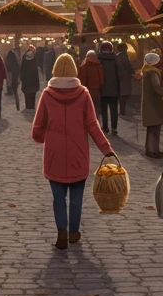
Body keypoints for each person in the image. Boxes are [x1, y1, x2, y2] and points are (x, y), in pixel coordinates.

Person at [31, 53, 114, 250]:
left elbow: (38, 126)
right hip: (79, 153)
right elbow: (93, 125)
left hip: (54, 154)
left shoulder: (47, 94)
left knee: (58, 199)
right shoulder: (83, 94)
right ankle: (74, 232)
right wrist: (106, 150)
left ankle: (61, 232)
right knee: (77, 198)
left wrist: (40, 137)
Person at [140, 52, 163, 158]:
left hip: (149, 104)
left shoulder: (146, 72)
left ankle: (149, 149)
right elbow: (157, 87)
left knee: (151, 129)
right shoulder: (153, 73)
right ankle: (153, 151)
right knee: (155, 129)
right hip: (154, 104)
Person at [96, 41, 123, 136]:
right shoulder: (115, 60)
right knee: (114, 109)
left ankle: (105, 127)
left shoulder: (98, 60)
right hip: (114, 89)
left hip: (102, 89)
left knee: (103, 110)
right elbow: (120, 75)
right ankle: (114, 128)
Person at [79, 50, 105, 114]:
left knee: (87, 112)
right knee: (97, 112)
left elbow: (81, 80)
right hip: (97, 91)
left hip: (86, 92)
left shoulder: (83, 66)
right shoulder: (98, 66)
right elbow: (102, 80)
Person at [116, 42, 136, 117]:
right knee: (123, 94)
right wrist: (133, 73)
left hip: (119, 77)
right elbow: (128, 66)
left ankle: (122, 110)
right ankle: (122, 111)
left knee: (122, 94)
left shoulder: (117, 57)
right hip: (124, 77)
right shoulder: (123, 56)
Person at [20, 45, 41, 110]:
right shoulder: (34, 57)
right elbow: (35, 69)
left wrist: (21, 77)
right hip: (33, 79)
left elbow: (22, 68)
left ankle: (27, 106)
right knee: (33, 93)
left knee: (27, 94)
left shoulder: (24, 57)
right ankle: (32, 106)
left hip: (26, 79)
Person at [6, 43, 21, 108]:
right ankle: (17, 105)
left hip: (11, 73)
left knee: (10, 82)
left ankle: (11, 91)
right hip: (15, 74)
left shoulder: (10, 57)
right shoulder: (14, 58)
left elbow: (7, 64)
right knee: (15, 87)